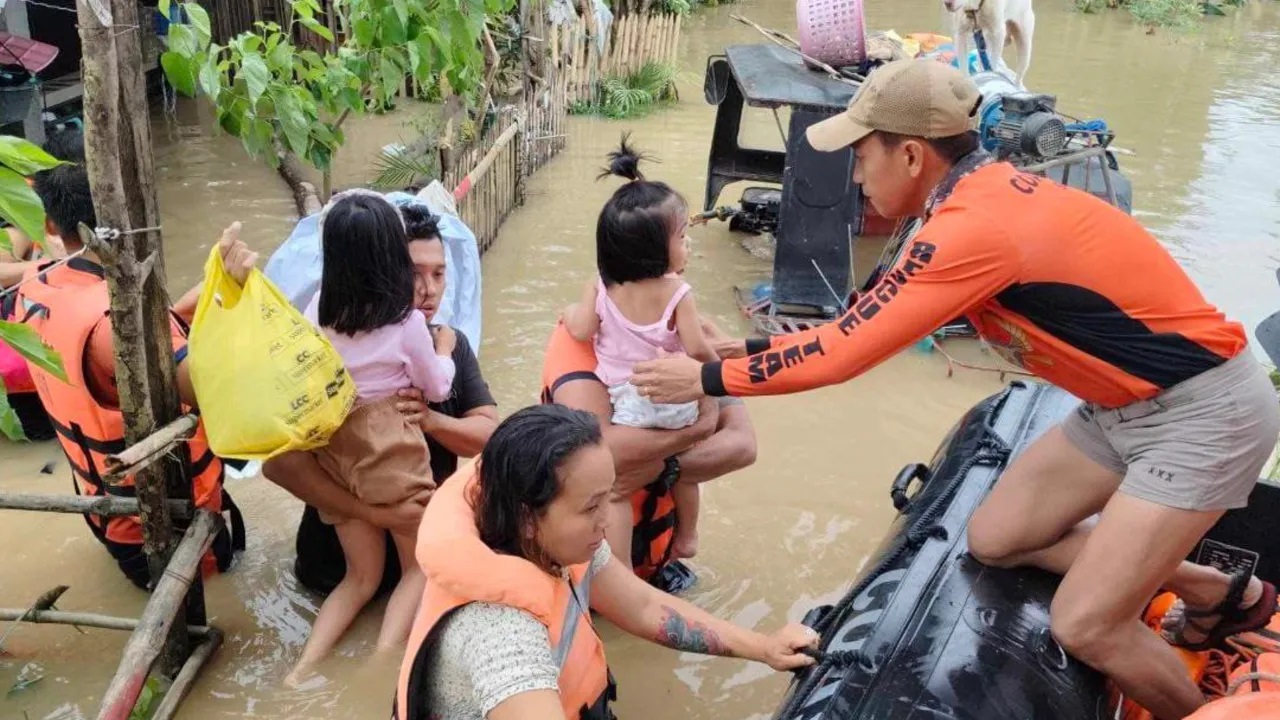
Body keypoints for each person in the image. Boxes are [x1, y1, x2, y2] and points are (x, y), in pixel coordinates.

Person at [627, 57, 1280, 719]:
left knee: (1085, 624)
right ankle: (1214, 589)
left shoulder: (974, 230)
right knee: (996, 538)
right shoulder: (968, 200)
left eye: (860, 153)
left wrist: (705, 375)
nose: (853, 173)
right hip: (1124, 405)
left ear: (909, 155)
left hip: (1203, 411)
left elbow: (844, 356)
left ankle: (1198, 709)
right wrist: (754, 348)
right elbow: (863, 319)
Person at [393, 404, 817, 720]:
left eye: (610, 497)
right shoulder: (500, 632)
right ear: (527, 518)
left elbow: (645, 607)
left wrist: (764, 647)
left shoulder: (558, 545)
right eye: (592, 506)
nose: (611, 519)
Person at [7, 161, 248, 588]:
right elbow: (215, 393)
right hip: (163, 519)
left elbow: (141, 351)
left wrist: (218, 283)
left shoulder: (36, 288)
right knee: (217, 601)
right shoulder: (121, 317)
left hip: (104, 505)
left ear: (48, 223)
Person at [263, 203, 499, 600]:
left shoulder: (448, 344)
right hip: (336, 566)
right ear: (381, 268)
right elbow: (278, 465)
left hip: (404, 566)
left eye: (439, 274)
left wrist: (431, 422)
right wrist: (373, 514)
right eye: (413, 273)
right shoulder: (330, 353)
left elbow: (490, 438)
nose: (429, 289)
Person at [284, 191, 459, 684]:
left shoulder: (318, 308)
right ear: (391, 257)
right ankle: (382, 663)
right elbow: (438, 387)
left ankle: (301, 671)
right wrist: (443, 345)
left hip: (333, 449)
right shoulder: (406, 325)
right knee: (419, 567)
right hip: (388, 450)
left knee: (358, 578)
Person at [561, 137, 719, 560]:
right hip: (673, 399)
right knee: (685, 475)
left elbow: (580, 329)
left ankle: (622, 569)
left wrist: (566, 311)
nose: (688, 245)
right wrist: (718, 372)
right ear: (655, 250)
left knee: (616, 487)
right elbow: (698, 348)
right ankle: (687, 537)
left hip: (627, 403)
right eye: (683, 237)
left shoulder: (599, 283)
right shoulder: (677, 292)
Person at [541, 316, 757, 583]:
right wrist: (694, 434)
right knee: (616, 491)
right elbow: (601, 451)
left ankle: (677, 545)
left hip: (661, 561)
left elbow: (743, 445)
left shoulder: (690, 333)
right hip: (584, 573)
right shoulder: (581, 338)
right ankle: (627, 583)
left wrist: (664, 468)